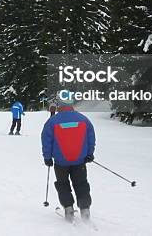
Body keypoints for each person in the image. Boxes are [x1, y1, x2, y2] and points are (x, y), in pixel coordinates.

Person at [41, 90, 95, 222]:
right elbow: (91, 138)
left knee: (63, 184)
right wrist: (89, 154)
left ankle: (69, 208)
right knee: (81, 183)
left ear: (59, 103)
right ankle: (85, 208)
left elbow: (46, 140)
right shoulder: (83, 120)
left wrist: (47, 157)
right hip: (79, 161)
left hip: (61, 162)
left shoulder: (52, 122)